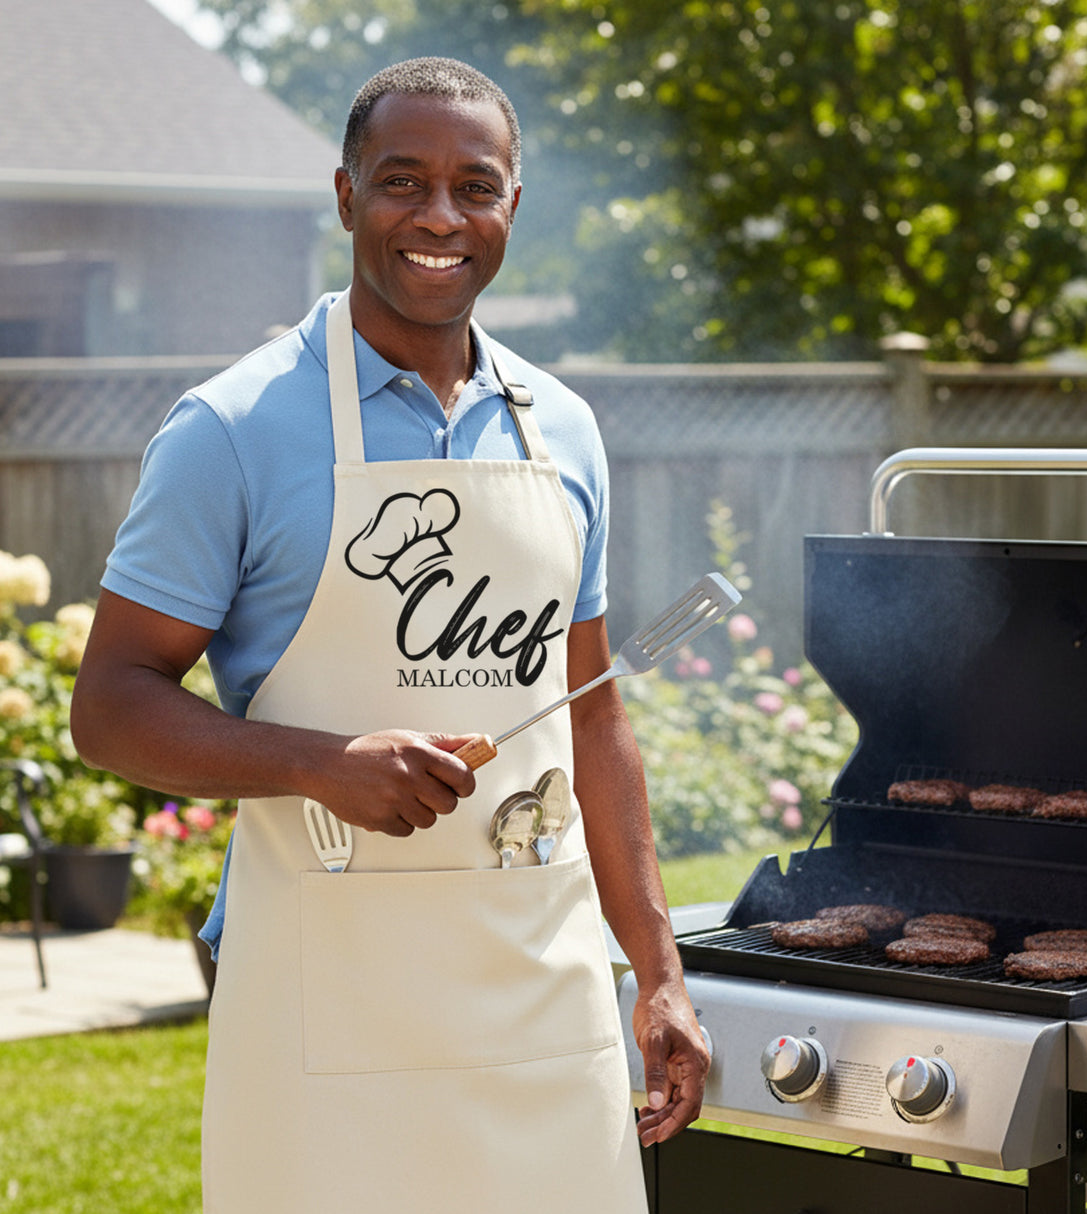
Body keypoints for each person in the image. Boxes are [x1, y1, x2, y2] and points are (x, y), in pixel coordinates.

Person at [71, 57, 708, 1214]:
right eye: (402, 181)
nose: (438, 216)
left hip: (544, 1010)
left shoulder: (561, 429)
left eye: (475, 185)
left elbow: (593, 713)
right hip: (329, 1014)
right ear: (344, 194)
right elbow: (109, 705)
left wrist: (657, 972)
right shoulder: (231, 427)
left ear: (513, 205)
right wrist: (320, 761)